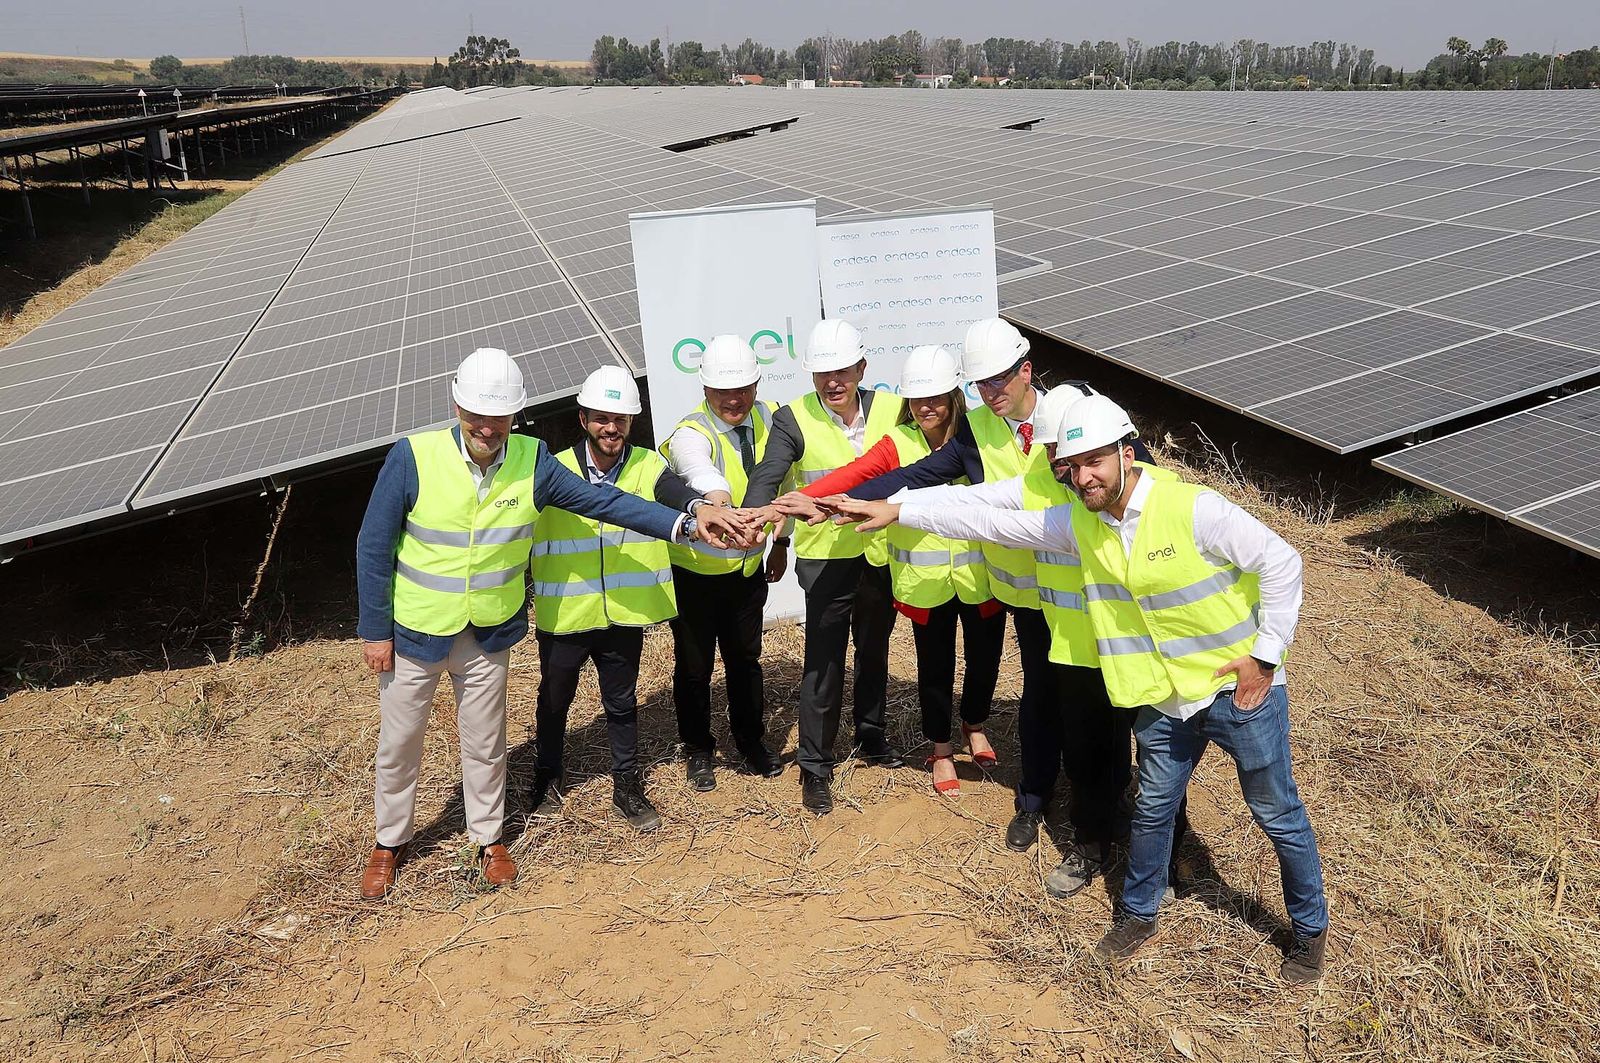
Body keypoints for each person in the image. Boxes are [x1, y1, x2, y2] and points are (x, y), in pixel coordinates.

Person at [827, 394, 1329, 983]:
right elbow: (984, 515)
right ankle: (1139, 915)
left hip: (1239, 695)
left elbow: (1282, 561)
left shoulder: (1193, 508)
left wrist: (1265, 656)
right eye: (1072, 465)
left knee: (1275, 811)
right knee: (1152, 809)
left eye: (1096, 462)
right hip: (1165, 697)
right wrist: (896, 509)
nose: (1084, 476)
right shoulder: (1082, 522)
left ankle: (1309, 928)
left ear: (1125, 452)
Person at [354, 348, 752, 900]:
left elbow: (608, 503)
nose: (487, 427)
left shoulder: (533, 461)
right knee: (400, 742)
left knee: (486, 741)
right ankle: (388, 843)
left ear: (516, 416)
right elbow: (373, 545)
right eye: (476, 414)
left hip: (488, 631)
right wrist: (375, 629)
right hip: (416, 631)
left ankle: (488, 839)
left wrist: (687, 521)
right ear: (457, 405)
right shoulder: (412, 457)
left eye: (499, 417)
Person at [788, 317, 1148, 864]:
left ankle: (1106, 807)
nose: (991, 392)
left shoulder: (1075, 418)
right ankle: (1034, 798)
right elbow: (928, 476)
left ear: (1027, 371)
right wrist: (833, 501)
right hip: (1028, 594)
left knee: (1104, 704)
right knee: (1042, 699)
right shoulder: (976, 428)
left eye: (1000, 379)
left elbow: (1122, 486)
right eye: (981, 384)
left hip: (1095, 593)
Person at [775, 346, 1005, 796]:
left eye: (936, 397)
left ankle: (974, 724)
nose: (927, 408)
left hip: (983, 575)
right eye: (917, 400)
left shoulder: (983, 434)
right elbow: (861, 475)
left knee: (984, 662)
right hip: (925, 581)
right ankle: (940, 749)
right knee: (934, 667)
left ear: (955, 394)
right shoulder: (899, 442)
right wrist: (816, 502)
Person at [529, 365, 731, 832]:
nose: (611, 428)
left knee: (621, 703)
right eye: (602, 418)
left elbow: (676, 493)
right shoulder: (551, 469)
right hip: (567, 611)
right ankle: (547, 777)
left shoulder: (648, 466)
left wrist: (701, 507)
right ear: (583, 419)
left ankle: (627, 785)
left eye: (620, 419)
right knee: (554, 699)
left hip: (624, 612)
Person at [740, 319, 905, 815]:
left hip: (881, 552)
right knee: (824, 661)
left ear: (861, 367)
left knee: (873, 648)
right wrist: (756, 519)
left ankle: (871, 734)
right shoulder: (792, 418)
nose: (832, 382)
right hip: (827, 559)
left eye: (841, 371)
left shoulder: (895, 410)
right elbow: (769, 475)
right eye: (820, 373)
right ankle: (815, 765)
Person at [659, 335, 788, 790]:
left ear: (756, 383)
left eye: (743, 389)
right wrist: (722, 504)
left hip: (749, 571)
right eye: (722, 393)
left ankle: (750, 741)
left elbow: (784, 479)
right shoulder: (691, 432)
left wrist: (780, 543)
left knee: (745, 659)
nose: (734, 400)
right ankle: (698, 749)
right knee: (694, 666)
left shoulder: (773, 416)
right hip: (695, 575)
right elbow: (699, 469)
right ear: (704, 390)